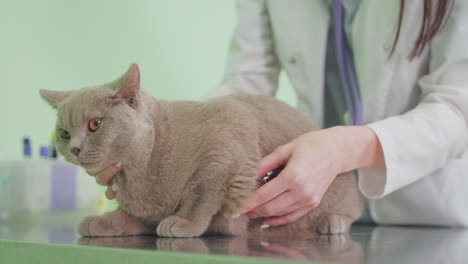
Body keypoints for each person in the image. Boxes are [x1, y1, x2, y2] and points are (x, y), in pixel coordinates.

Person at [96, 0, 468, 228]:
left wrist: (340, 149)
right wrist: (168, 146)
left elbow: (458, 106)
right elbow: (245, 85)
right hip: (310, 220)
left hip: (428, 220)